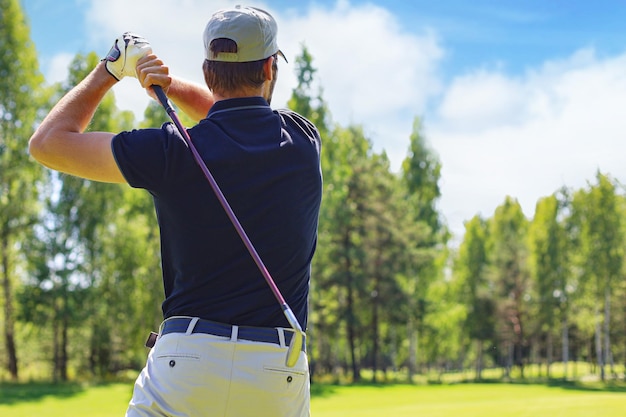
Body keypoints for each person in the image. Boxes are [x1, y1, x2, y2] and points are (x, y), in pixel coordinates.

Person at [29, 6, 321, 417]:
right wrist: (166, 88)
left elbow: (47, 144)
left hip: (186, 363)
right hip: (276, 371)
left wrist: (111, 70)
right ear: (270, 68)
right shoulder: (302, 141)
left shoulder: (171, 151)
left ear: (207, 71)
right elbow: (233, 124)